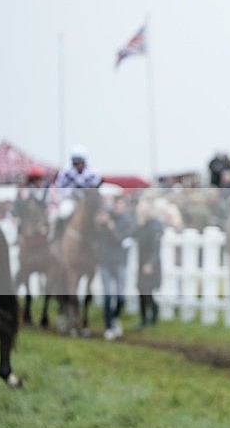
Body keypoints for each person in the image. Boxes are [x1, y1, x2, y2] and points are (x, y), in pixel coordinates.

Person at [94, 195, 135, 340]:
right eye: (116, 204)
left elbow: (119, 238)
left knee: (120, 296)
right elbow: (97, 236)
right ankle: (108, 326)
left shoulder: (128, 222)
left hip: (120, 262)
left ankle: (115, 318)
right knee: (107, 295)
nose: (117, 206)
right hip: (106, 261)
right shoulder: (105, 218)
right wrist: (100, 223)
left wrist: (111, 227)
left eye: (120, 204)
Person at [52, 146, 103, 240]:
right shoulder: (65, 172)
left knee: (98, 217)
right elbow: (60, 187)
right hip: (72, 200)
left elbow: (97, 189)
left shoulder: (93, 173)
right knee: (63, 212)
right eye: (75, 162)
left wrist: (85, 191)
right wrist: (72, 191)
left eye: (80, 162)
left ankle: (99, 239)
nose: (78, 164)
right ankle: (57, 237)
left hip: (88, 201)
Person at [133, 200, 164, 329]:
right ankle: (145, 318)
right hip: (142, 263)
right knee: (142, 291)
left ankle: (151, 316)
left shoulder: (155, 227)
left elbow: (156, 249)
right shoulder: (142, 226)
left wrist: (150, 264)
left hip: (150, 264)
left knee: (146, 291)